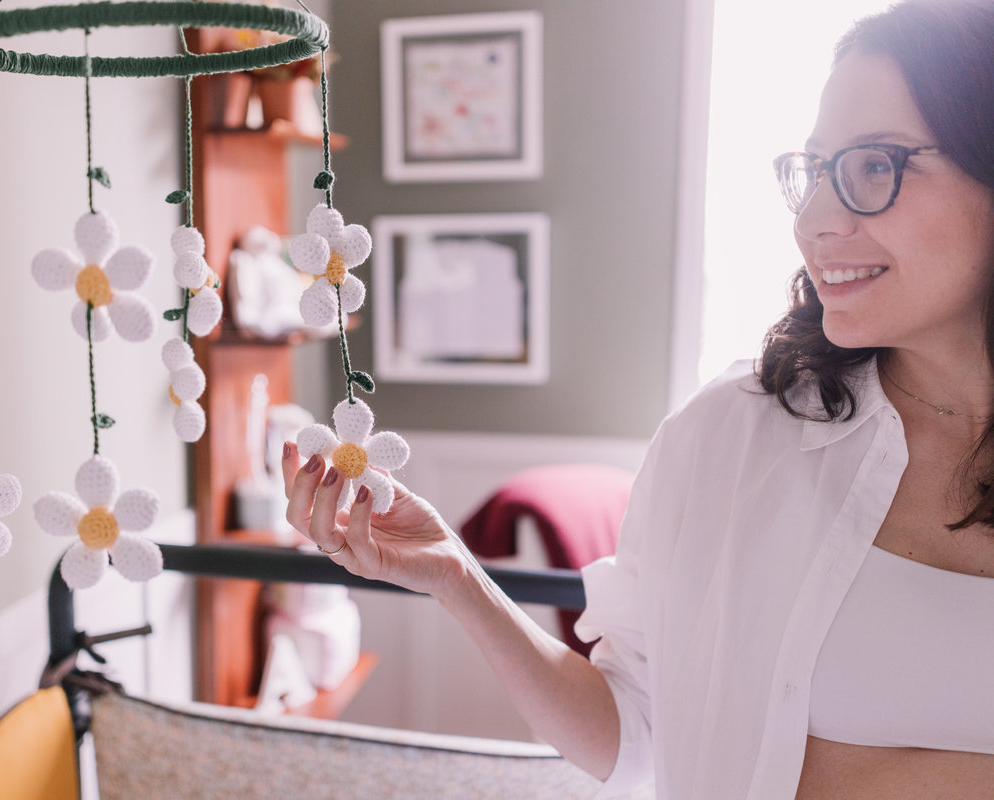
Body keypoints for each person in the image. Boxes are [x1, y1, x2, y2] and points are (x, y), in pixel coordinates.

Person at [282, 2, 994, 797]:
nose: (817, 222)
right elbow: (638, 733)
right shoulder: (732, 437)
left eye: (875, 167)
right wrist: (457, 577)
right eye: (817, 171)